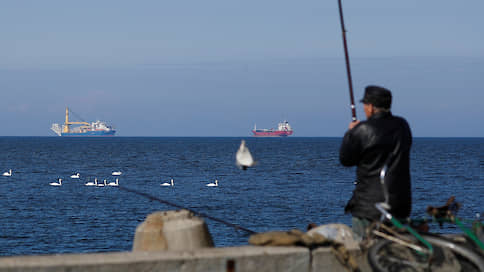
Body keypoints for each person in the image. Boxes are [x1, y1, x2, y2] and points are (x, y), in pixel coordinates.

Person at [339, 85, 412, 239]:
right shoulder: (402, 126)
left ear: (371, 107)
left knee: (364, 247)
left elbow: (345, 159)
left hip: (368, 206)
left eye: (365, 105)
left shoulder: (363, 130)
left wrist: (350, 133)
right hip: (399, 204)